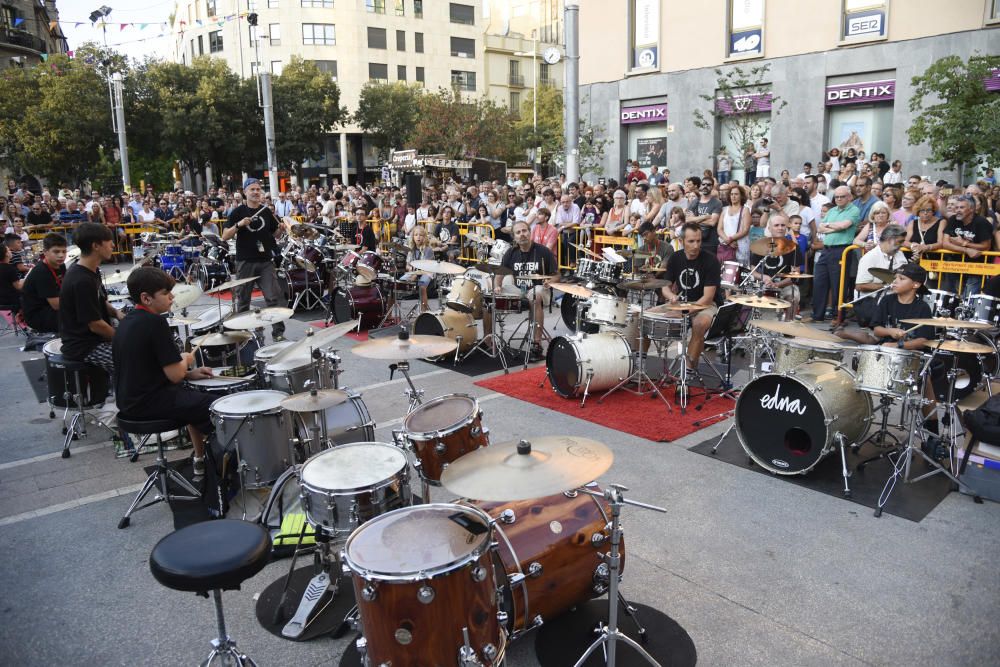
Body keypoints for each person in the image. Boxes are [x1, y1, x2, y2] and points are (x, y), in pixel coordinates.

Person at [113, 267, 216, 479]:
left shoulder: (128, 322)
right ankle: (222, 464)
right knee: (214, 406)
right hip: (148, 403)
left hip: (128, 401)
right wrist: (186, 360)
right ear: (146, 298)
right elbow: (175, 375)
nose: (172, 297)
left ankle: (200, 460)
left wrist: (189, 374)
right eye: (165, 293)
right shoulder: (155, 323)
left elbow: (148, 367)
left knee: (191, 397)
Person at [222, 178, 291, 341]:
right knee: (244, 300)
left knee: (273, 297)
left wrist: (280, 230)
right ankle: (243, 334)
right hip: (245, 260)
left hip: (265, 260)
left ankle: (278, 333)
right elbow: (224, 236)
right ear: (245, 192)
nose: (255, 192)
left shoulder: (266, 211)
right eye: (252, 189)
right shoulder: (238, 212)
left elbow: (274, 234)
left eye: (258, 189)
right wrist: (239, 225)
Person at [58, 223, 124, 376]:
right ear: (96, 246)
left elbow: (100, 300)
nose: (113, 245)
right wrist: (124, 338)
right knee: (142, 359)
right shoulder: (81, 280)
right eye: (109, 242)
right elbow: (96, 325)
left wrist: (117, 313)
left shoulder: (91, 270)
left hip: (95, 340)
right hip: (85, 347)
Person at [487, 220, 557, 361]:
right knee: (489, 297)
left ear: (529, 232)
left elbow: (557, 274)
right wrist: (497, 286)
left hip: (540, 289)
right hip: (519, 290)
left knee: (535, 294)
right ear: (514, 237)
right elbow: (499, 274)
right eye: (518, 232)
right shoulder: (511, 252)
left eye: (524, 231)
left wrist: (551, 281)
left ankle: (537, 344)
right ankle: (488, 341)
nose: (522, 234)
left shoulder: (543, 251)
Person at [661, 223, 723, 369]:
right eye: (691, 241)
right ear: (681, 241)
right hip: (682, 303)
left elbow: (708, 298)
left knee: (699, 324)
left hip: (706, 305)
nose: (696, 245)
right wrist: (671, 296)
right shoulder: (675, 258)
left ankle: (688, 370)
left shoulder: (711, 260)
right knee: (647, 315)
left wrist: (684, 312)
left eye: (699, 241)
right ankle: (641, 364)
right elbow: (665, 286)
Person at [805, 186, 860, 324]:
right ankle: (817, 315)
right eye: (836, 197)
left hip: (842, 249)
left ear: (849, 197)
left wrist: (830, 226)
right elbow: (820, 228)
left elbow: (844, 226)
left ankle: (838, 316)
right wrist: (834, 226)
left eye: (842, 196)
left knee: (838, 283)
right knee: (819, 282)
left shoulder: (854, 210)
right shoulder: (832, 210)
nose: (839, 199)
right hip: (826, 250)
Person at [749, 214, 799, 320]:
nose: (780, 228)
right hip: (764, 284)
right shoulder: (761, 244)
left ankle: (788, 328)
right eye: (776, 225)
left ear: (786, 228)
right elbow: (752, 270)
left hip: (785, 284)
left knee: (794, 296)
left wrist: (777, 284)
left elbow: (796, 274)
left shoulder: (794, 247)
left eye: (782, 225)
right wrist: (764, 277)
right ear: (770, 228)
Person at [941, 194, 992, 298]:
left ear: (972, 209)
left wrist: (965, 243)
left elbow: (986, 246)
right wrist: (966, 250)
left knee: (968, 299)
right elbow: (945, 243)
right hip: (954, 265)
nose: (958, 210)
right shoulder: (953, 220)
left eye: (962, 207)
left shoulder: (981, 222)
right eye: (956, 207)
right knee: (951, 297)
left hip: (975, 267)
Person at [20, 233, 67, 333]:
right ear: (45, 252)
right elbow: (56, 305)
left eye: (64, 251)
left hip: (49, 307)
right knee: (80, 316)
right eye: (56, 252)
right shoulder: (42, 272)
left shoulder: (61, 266)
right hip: (37, 315)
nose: (61, 255)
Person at [0, 244, 22, 311]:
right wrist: (27, 280)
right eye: (9, 250)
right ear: (6, 254)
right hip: (10, 300)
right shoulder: (10, 269)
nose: (10, 252)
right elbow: (18, 287)